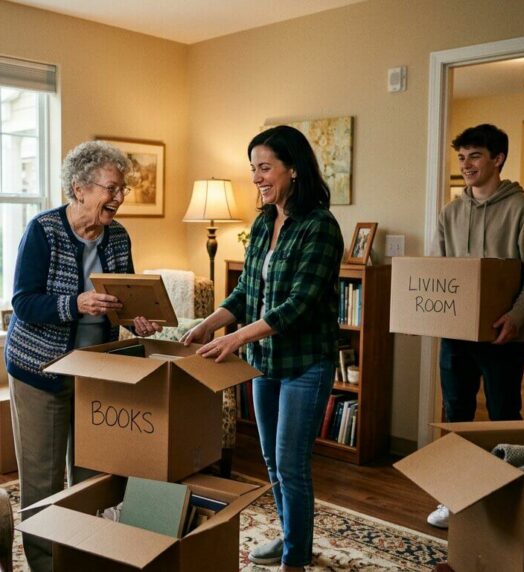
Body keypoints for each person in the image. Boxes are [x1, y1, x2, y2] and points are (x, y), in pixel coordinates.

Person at [182, 125, 343, 571]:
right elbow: (246, 294)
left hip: (305, 364)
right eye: (253, 168)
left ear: (293, 168)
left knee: (291, 465)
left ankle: (295, 560)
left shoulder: (321, 227)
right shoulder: (262, 221)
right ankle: (294, 539)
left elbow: (300, 305)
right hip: (265, 363)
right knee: (272, 462)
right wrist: (207, 325)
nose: (256, 177)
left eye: (265, 167)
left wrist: (234, 339)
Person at [3, 140, 161, 572]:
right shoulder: (43, 231)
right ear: (80, 188)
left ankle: (85, 557)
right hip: (41, 371)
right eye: (111, 188)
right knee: (43, 480)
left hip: (97, 372)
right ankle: (46, 564)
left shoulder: (119, 235)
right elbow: (24, 303)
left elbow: (123, 296)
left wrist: (138, 320)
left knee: (93, 477)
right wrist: (75, 304)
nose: (119, 197)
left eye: (122, 189)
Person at [426, 124, 524, 529]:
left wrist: (517, 317)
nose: (465, 165)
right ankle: (455, 497)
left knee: (503, 414)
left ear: (498, 159)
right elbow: (436, 272)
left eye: (475, 156)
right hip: (456, 336)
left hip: (504, 337)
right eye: (461, 157)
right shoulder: (450, 212)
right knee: (456, 415)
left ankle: (506, 498)